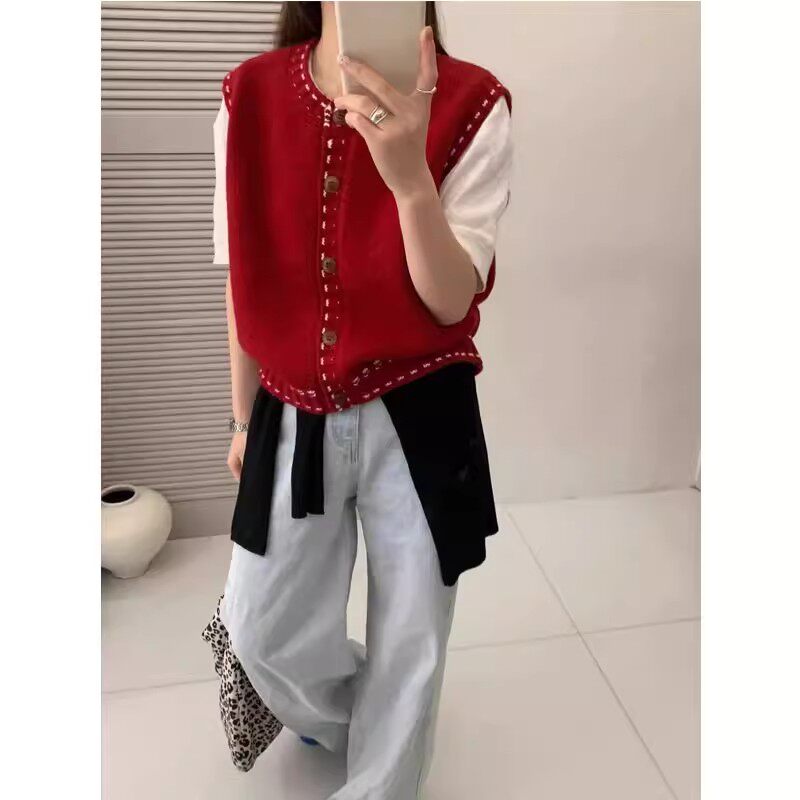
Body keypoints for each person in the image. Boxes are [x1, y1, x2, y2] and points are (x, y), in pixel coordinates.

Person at [202, 2, 512, 797]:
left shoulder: (476, 102)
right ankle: (358, 718)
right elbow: (242, 278)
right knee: (260, 630)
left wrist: (410, 182)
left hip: (423, 413)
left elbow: (451, 299)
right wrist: (242, 417)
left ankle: (385, 773)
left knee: (414, 633)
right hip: (290, 412)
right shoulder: (248, 95)